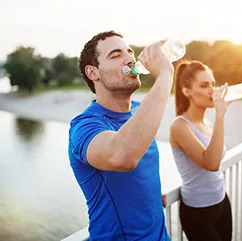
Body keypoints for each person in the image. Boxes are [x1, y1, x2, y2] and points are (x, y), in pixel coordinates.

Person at [68, 30, 174, 241]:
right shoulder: (84, 127)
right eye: (115, 55)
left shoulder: (138, 111)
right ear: (93, 73)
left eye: (129, 52)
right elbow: (122, 156)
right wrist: (165, 75)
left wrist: (150, 197)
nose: (129, 59)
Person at [169, 60, 233, 241]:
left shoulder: (207, 123)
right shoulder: (180, 126)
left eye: (213, 84)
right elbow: (211, 163)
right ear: (186, 91)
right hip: (198, 211)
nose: (212, 90)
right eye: (204, 86)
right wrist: (220, 115)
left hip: (220, 200)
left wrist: (219, 117)